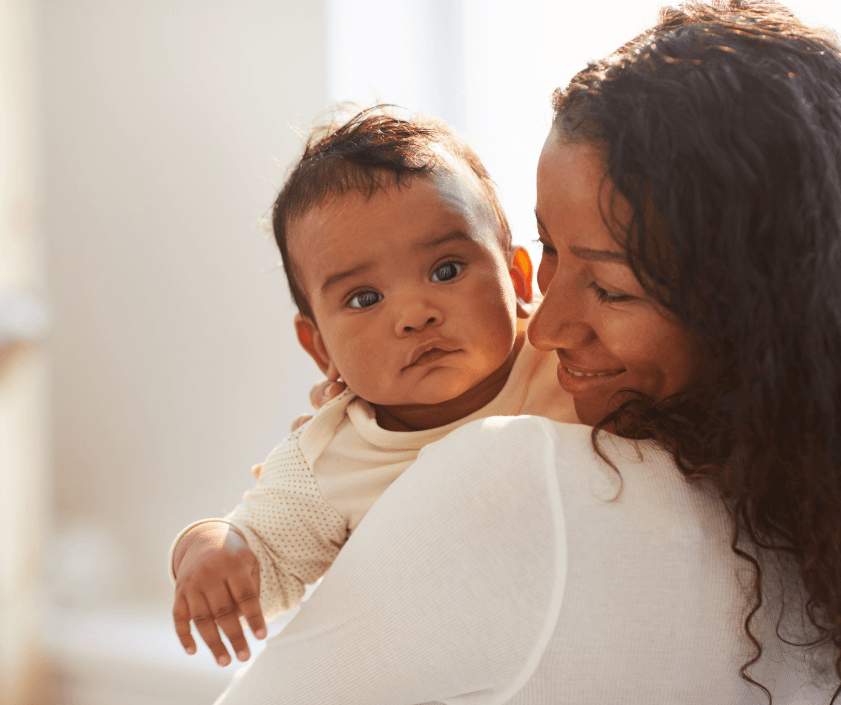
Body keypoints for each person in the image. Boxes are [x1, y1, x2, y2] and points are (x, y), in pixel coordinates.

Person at [203, 1, 841, 703]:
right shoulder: (797, 511)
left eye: (608, 286)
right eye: (550, 252)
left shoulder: (513, 470)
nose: (542, 326)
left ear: (754, 310)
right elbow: (260, 548)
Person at [169, 107, 578, 667]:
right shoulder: (331, 455)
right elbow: (263, 559)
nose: (414, 314)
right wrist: (208, 548)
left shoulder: (568, 359)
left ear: (518, 278)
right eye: (364, 298)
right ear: (321, 349)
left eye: (446, 270)